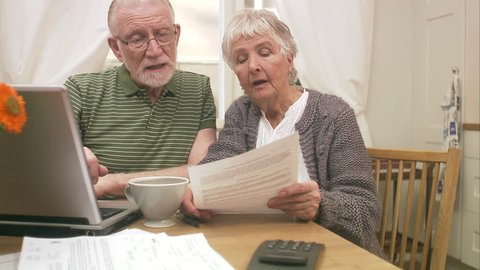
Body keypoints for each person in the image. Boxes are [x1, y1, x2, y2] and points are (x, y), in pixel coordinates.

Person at [182, 9, 385, 257]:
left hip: (332, 254)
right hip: (259, 249)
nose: (253, 66)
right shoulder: (241, 112)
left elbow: (367, 212)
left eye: (265, 53)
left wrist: (320, 205)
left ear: (289, 60)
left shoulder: (333, 114)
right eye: (241, 59)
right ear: (237, 74)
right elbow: (221, 160)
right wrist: (198, 187)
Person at [65, 0, 217, 198]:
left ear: (176, 36)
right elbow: (52, 168)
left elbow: (201, 173)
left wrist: (112, 183)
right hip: (104, 222)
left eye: (163, 34)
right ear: (117, 48)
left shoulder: (198, 89)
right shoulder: (81, 91)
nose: (154, 51)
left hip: (176, 221)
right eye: (137, 39)